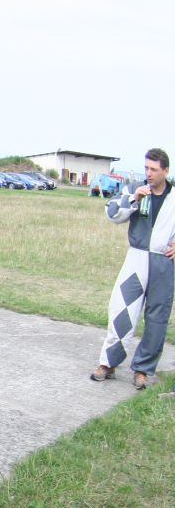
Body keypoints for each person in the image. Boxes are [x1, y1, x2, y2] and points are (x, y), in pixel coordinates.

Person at [91, 148, 175, 390]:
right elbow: (112, 213)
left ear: (165, 171)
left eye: (154, 169)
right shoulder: (135, 189)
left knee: (157, 318)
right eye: (146, 168)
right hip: (136, 259)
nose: (148, 173)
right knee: (121, 309)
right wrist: (134, 199)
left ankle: (143, 369)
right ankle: (108, 363)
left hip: (163, 262)